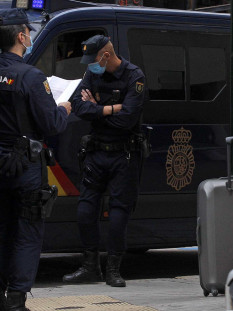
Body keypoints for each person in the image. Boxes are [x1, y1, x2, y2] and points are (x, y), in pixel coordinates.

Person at [0, 8, 72, 311]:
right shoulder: (31, 76)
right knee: (28, 233)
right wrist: (65, 108)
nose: (29, 35)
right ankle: (16, 301)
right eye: (28, 30)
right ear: (21, 36)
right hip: (24, 166)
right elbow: (51, 124)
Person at [63, 35, 146, 287]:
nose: (90, 66)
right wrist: (112, 108)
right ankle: (90, 267)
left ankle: (113, 269)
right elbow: (77, 106)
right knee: (85, 210)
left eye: (94, 60)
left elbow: (128, 120)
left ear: (106, 56)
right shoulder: (92, 75)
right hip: (96, 153)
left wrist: (97, 108)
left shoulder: (134, 76)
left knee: (119, 213)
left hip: (124, 154)